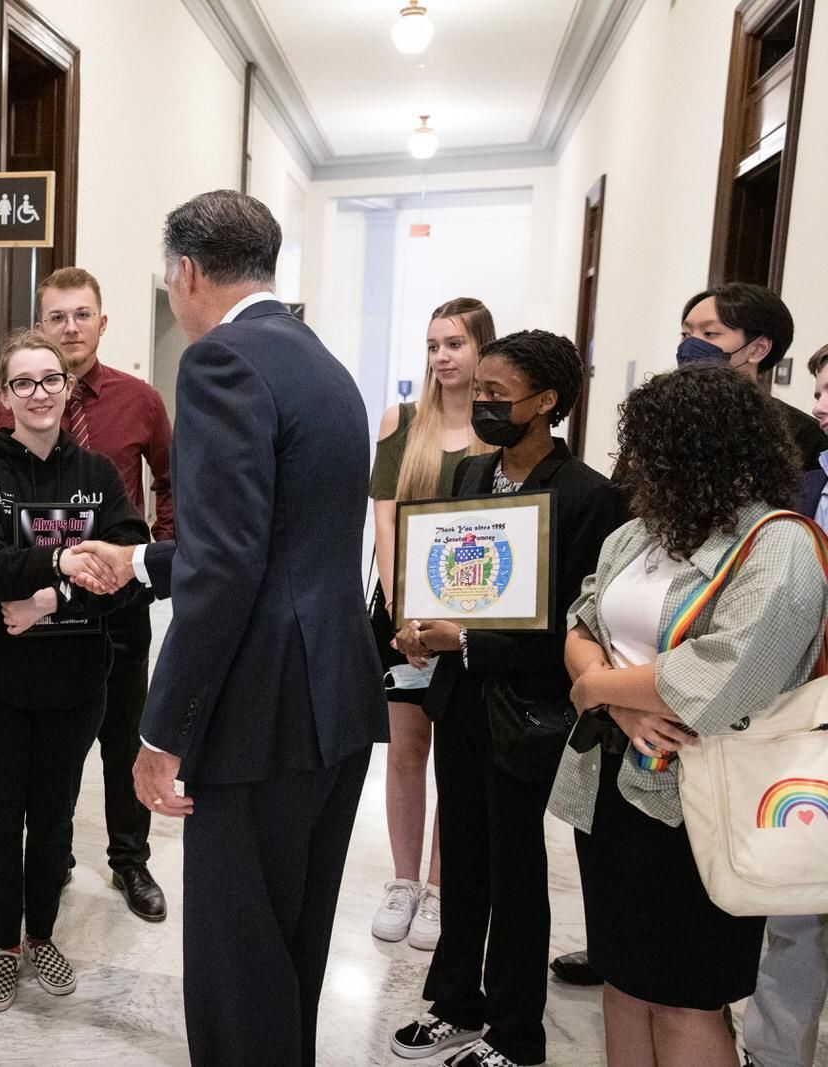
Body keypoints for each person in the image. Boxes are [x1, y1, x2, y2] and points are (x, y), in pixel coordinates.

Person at [73, 190, 387, 1063]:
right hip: (332, 700)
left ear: (185, 272)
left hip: (259, 711)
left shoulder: (220, 363)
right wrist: (137, 561)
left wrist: (161, 731)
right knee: (291, 949)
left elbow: (225, 569)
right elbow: (274, 546)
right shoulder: (320, 364)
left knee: (235, 967)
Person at [551, 364, 828, 1067]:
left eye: (650, 448)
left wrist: (599, 689)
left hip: (703, 798)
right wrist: (606, 697)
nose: (633, 464)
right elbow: (580, 621)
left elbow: (722, 673)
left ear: (700, 450)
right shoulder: (640, 533)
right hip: (614, 786)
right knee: (622, 978)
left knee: (687, 996)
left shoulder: (779, 545)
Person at [386, 331, 627, 1067]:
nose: (483, 403)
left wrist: (473, 642)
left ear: (545, 401)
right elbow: (448, 576)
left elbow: (578, 627)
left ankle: (517, 1033)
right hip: (459, 700)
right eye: (479, 392)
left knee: (515, 870)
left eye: (498, 394)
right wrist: (423, 630)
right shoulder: (467, 476)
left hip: (528, 710)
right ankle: (455, 1002)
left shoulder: (589, 496)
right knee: (459, 860)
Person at [0, 328, 149, 1013]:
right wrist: (61, 562)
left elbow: (128, 562)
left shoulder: (95, 477)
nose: (38, 393)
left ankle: (42, 935)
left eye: (51, 380)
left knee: (56, 819)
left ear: (68, 388)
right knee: (0, 816)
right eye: (23, 382)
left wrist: (47, 595)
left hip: (73, 682)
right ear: (4, 395)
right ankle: (5, 945)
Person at [0, 266, 174, 922]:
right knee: (54, 738)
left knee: (123, 734)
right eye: (58, 316)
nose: (71, 327)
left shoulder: (141, 400)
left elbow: (171, 481)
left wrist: (154, 565)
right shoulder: (14, 403)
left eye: (82, 314)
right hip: (45, 603)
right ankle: (55, 855)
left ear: (102, 320)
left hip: (117, 604)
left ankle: (130, 858)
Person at [368, 297, 497, 950]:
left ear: (482, 348)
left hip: (473, 615)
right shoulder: (403, 422)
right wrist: (401, 610)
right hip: (403, 612)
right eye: (433, 344)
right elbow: (386, 518)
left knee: (460, 753)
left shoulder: (498, 425)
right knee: (407, 750)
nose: (442, 356)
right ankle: (402, 881)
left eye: (454, 343)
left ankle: (443, 888)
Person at [741, 341, 828, 1067]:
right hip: (807, 720)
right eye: (822, 390)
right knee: (797, 903)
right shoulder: (804, 488)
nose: (821, 406)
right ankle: (773, 1054)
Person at [676, 282, 825, 469]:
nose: (690, 345)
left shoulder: (800, 434)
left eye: (709, 333)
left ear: (758, 348)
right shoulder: (660, 417)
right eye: (686, 334)